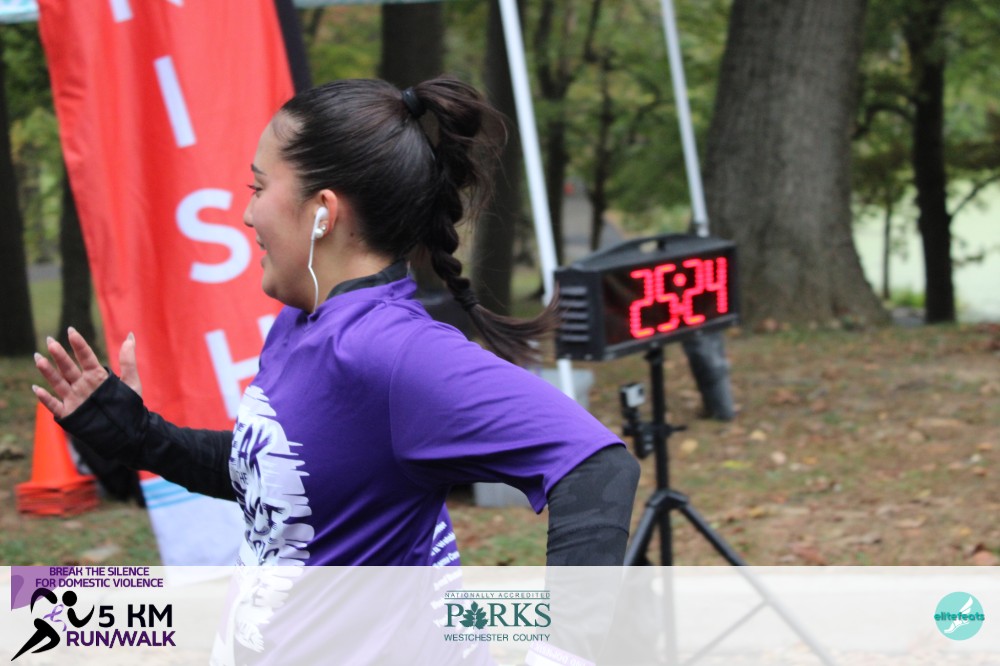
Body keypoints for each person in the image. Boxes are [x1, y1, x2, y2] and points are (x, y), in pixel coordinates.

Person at [32, 77, 639, 572]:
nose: (246, 214)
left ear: (323, 212)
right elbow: (275, 476)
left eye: (258, 187)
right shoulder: (302, 321)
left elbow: (596, 466)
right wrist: (142, 438)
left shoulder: (394, 350)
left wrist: (566, 650)